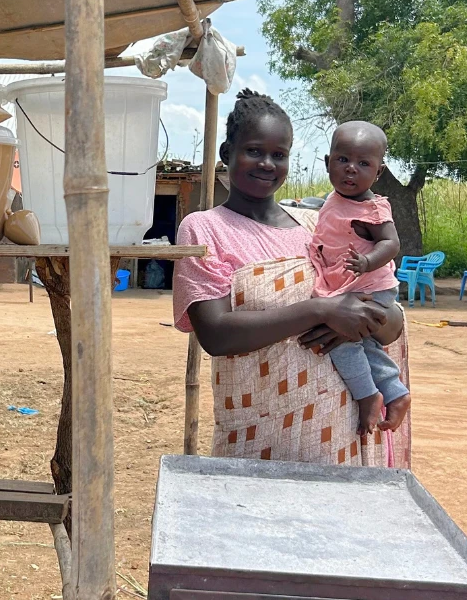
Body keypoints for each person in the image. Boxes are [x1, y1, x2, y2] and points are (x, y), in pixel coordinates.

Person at [173, 89, 408, 465]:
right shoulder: (204, 229)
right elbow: (215, 335)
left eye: (279, 155)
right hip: (257, 433)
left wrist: (361, 319)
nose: (267, 163)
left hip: (341, 430)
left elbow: (390, 322)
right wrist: (321, 311)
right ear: (226, 154)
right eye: (254, 151)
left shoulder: (319, 225)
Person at [310, 121, 410, 434]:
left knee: (341, 342)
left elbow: (391, 243)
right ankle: (395, 392)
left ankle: (367, 395)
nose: (351, 169)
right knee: (366, 346)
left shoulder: (371, 209)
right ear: (328, 163)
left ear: (378, 172)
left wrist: (367, 261)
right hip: (352, 288)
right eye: (342, 160)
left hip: (371, 289)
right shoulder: (334, 198)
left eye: (363, 163)